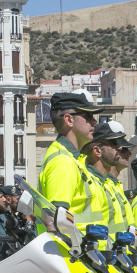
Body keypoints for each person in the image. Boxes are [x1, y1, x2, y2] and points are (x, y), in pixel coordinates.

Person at [38, 90, 103, 229]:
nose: (94, 121)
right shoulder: (63, 161)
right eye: (88, 116)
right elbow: (56, 223)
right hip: (72, 250)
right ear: (69, 120)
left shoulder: (74, 160)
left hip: (86, 249)